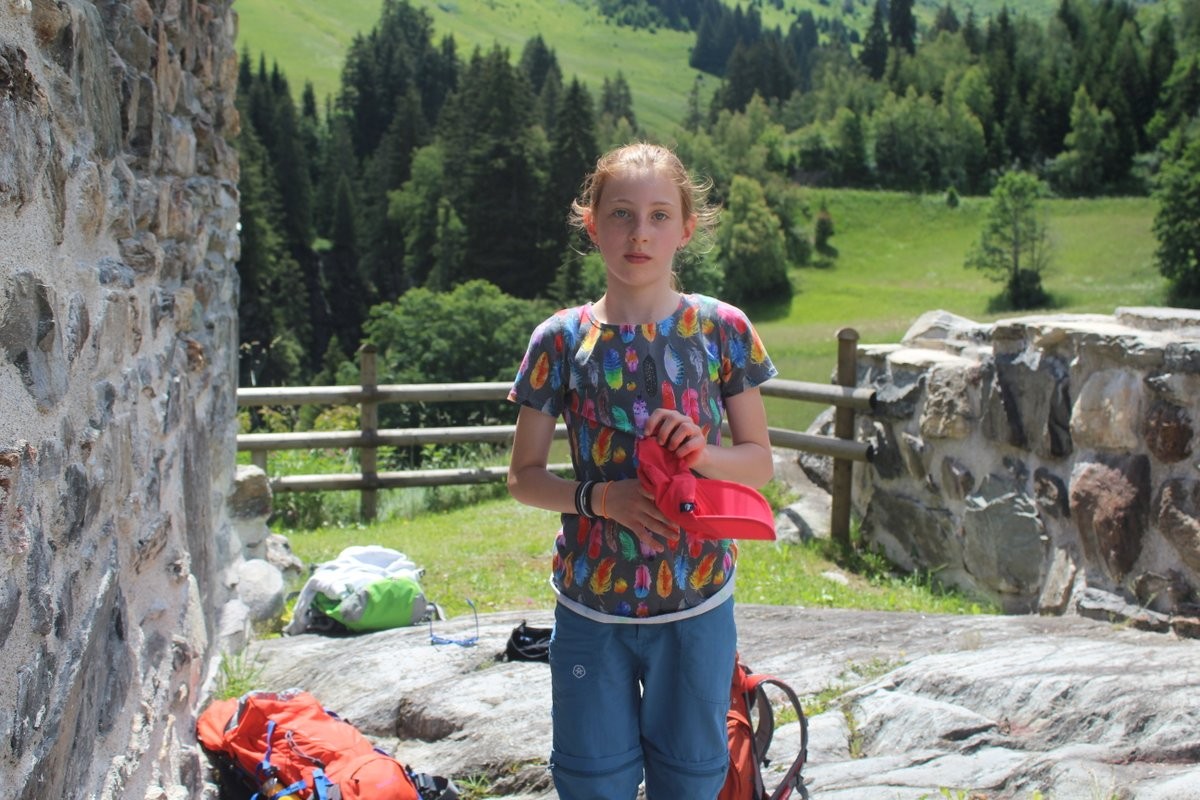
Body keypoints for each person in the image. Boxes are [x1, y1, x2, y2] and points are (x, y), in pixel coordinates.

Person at [506, 142, 777, 800]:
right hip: (590, 608)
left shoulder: (722, 329)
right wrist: (603, 499)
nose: (639, 233)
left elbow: (759, 464)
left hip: (697, 604)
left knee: (691, 782)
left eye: (659, 216)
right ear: (592, 223)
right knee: (591, 783)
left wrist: (702, 453)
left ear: (686, 228)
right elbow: (523, 477)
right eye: (621, 214)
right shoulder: (558, 341)